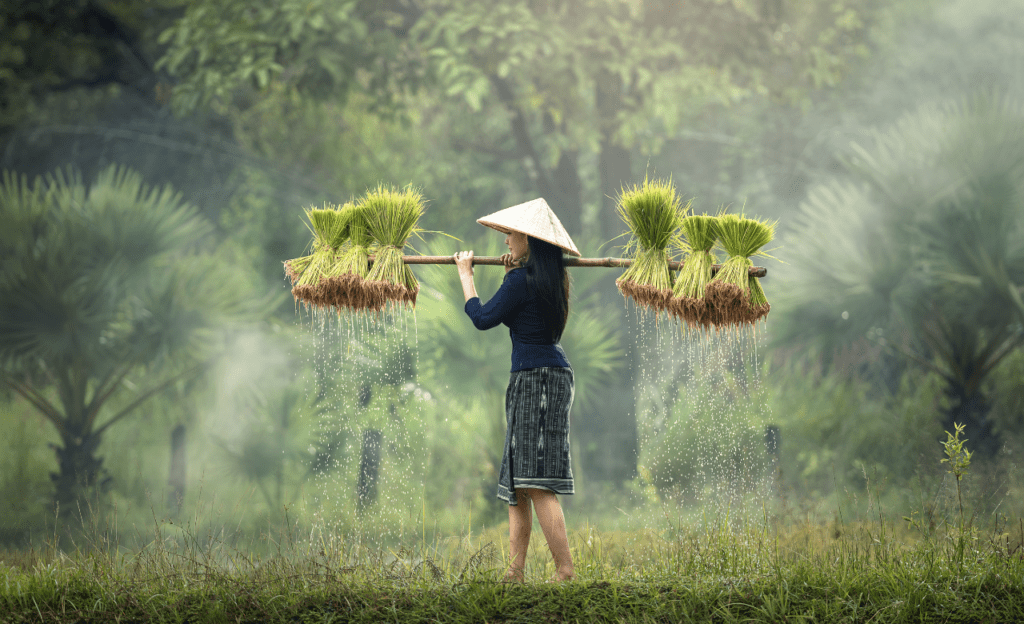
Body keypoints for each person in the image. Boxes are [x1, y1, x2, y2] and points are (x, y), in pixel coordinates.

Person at [453, 197, 581, 583]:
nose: (505, 240)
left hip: (537, 379)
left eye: (510, 234)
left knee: (534, 481)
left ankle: (565, 570)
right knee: (517, 480)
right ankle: (515, 571)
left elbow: (482, 317)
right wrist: (512, 274)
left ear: (527, 237)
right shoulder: (548, 280)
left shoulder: (521, 282)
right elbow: (518, 305)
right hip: (543, 375)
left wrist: (465, 274)